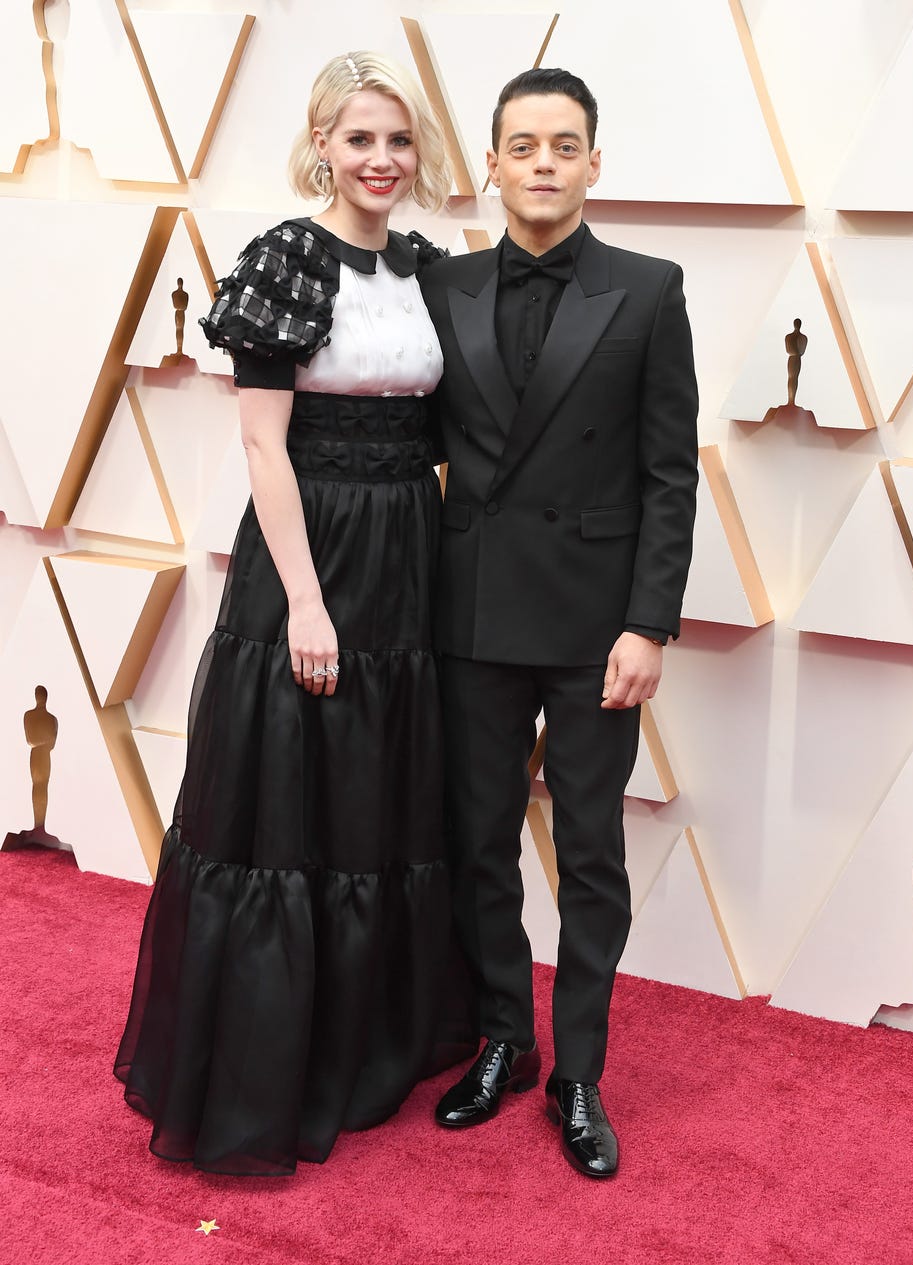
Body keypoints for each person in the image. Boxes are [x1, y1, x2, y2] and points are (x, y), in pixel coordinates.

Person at [115, 51, 473, 1176]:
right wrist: (307, 604)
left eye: (398, 140)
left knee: (375, 797)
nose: (379, 159)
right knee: (286, 800)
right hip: (308, 556)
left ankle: (365, 1040)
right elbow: (262, 445)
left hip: (407, 551)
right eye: (358, 138)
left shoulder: (427, 266)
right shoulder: (282, 258)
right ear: (320, 142)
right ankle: (275, 1059)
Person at [420, 68, 699, 1178]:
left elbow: (667, 474)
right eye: (521, 144)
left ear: (593, 162)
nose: (542, 162)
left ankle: (577, 1069)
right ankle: (504, 1039)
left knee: (589, 852)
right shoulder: (440, 283)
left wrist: (649, 625)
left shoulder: (646, 288)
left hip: (595, 626)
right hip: (473, 608)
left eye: (563, 144)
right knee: (478, 839)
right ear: (489, 163)